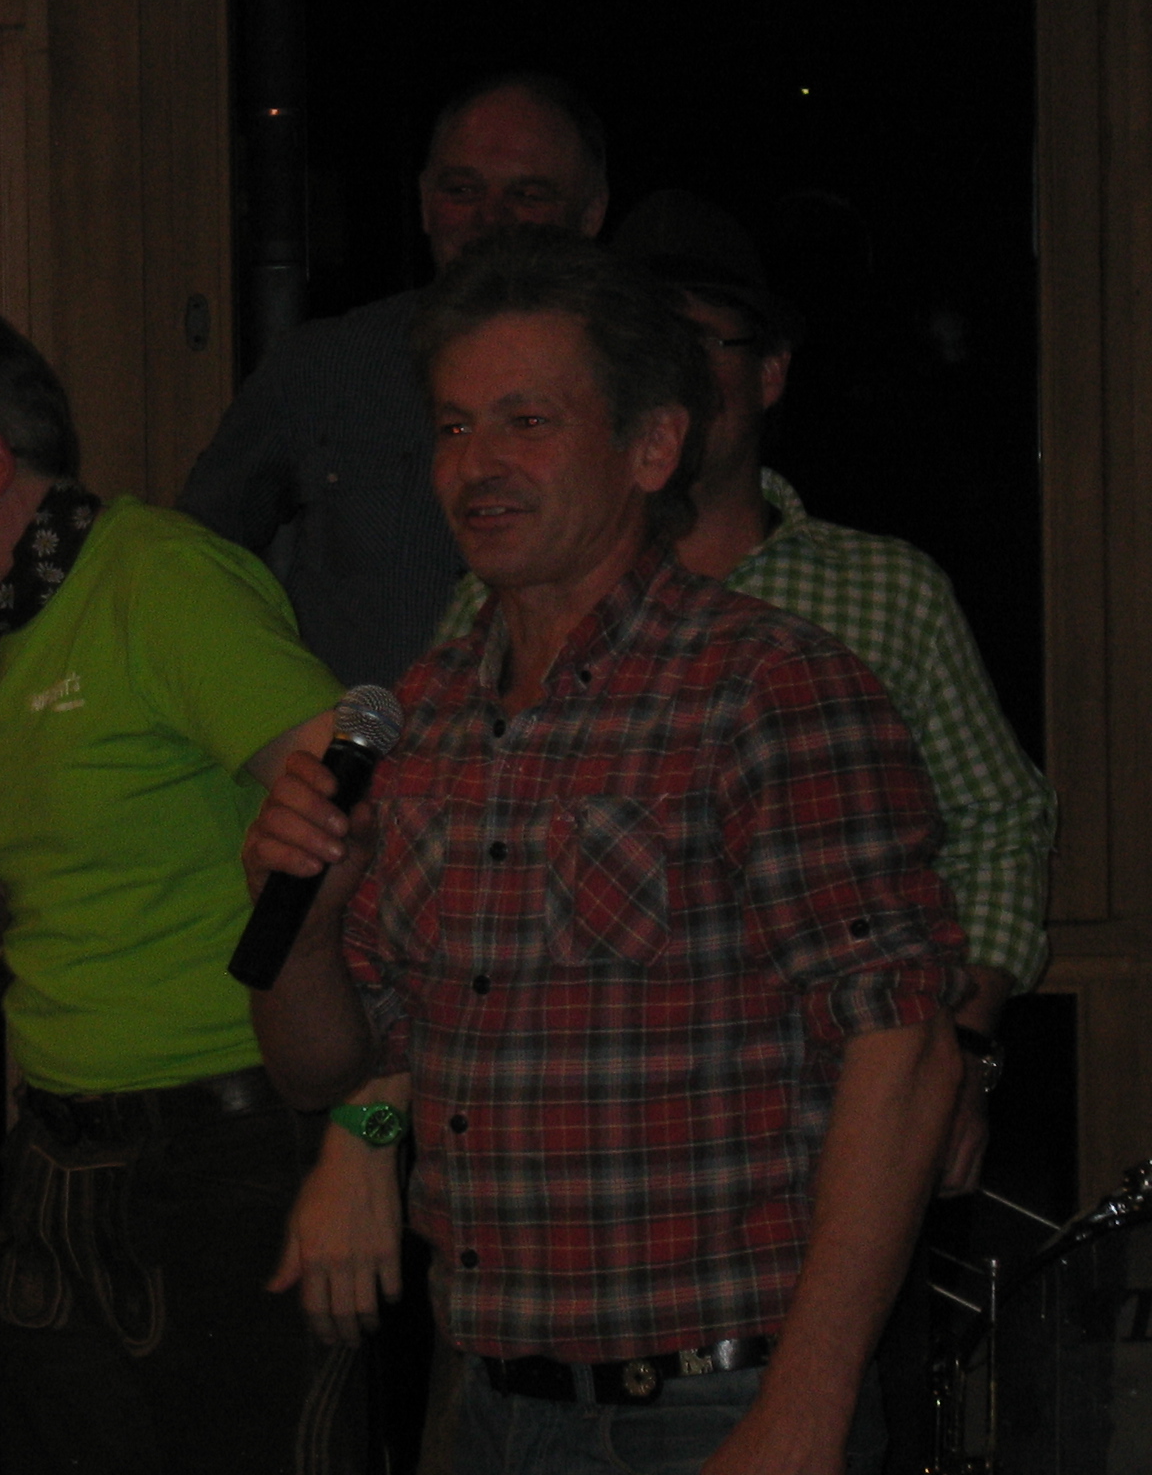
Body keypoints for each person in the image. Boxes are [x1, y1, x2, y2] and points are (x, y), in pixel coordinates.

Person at [246, 229, 966, 1474]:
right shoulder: (423, 713)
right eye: (454, 426)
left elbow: (900, 1050)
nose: (477, 464)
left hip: (714, 1399)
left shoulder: (766, 687)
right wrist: (302, 918)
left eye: (526, 422)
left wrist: (806, 1405)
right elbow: (326, 1069)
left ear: (650, 447)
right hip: (483, 1401)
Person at [0, 299, 354, 1475]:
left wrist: (367, 1129)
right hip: (59, 1156)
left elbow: (358, 807)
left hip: (227, 1155)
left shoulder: (162, 581)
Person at [435, 190, 1051, 1193]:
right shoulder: (498, 602)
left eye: (696, 340)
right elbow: (429, 920)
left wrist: (962, 1049)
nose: (669, 367)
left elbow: (998, 827)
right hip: (579, 1179)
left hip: (839, 1136)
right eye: (639, 345)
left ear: (769, 373)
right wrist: (367, 1139)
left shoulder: (879, 594)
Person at [177, 73, 610, 686]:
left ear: (591, 213)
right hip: (366, 744)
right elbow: (190, 558)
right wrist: (269, 709)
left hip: (584, 741)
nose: (490, 218)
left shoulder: (633, 375)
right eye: (462, 190)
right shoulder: (325, 367)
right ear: (425, 202)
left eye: (528, 195)